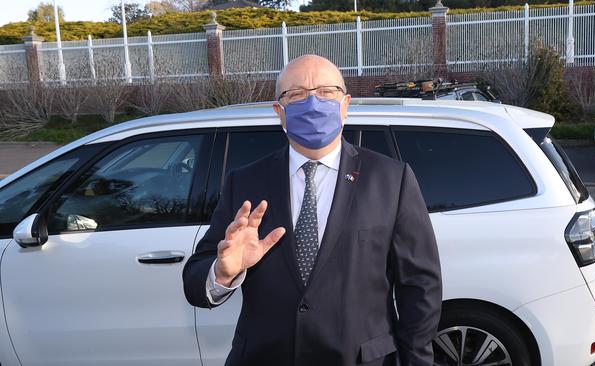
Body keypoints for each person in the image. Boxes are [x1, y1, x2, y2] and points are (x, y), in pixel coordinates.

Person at [182, 54, 442, 366]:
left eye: (326, 92)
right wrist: (223, 273)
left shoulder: (391, 179)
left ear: (345, 105)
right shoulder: (245, 182)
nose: (313, 103)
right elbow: (195, 281)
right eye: (297, 95)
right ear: (280, 112)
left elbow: (420, 287)